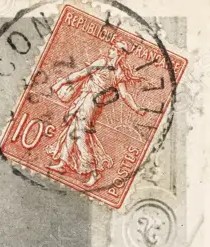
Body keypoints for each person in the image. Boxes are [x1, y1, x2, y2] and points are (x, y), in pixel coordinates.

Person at [47, 39, 147, 187]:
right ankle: (63, 162)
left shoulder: (112, 68)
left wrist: (136, 109)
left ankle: (94, 172)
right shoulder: (110, 67)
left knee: (80, 136)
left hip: (90, 103)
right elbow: (81, 74)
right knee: (72, 130)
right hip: (87, 100)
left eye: (113, 48)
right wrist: (62, 82)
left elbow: (125, 95)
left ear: (119, 53)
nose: (110, 50)